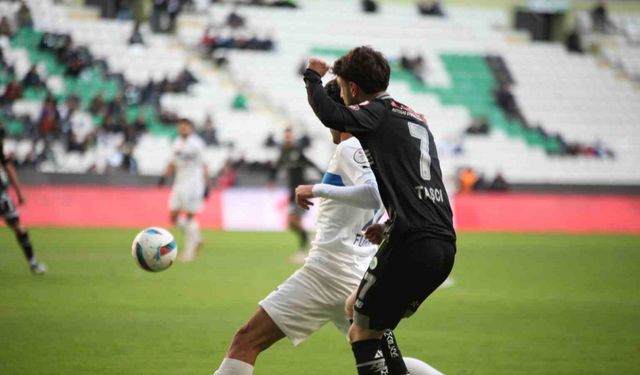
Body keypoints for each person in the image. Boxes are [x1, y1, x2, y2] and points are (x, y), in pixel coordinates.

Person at [213, 79, 442, 375]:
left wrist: (317, 189)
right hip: (356, 272)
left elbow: (372, 193)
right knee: (389, 362)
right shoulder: (375, 149)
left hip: (327, 272)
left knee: (246, 341)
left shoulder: (351, 147)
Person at [303, 46, 456, 375]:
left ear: (353, 89)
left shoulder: (376, 112)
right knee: (359, 313)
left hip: (411, 244)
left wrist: (313, 76)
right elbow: (419, 187)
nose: (342, 97)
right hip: (442, 244)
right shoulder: (415, 119)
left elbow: (333, 115)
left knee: (361, 331)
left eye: (342, 89)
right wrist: (389, 226)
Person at [269, 127, 323, 263]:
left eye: (289, 136)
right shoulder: (284, 152)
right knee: (291, 224)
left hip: (302, 191)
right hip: (291, 192)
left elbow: (310, 163)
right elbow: (276, 166)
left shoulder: (297, 151)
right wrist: (271, 179)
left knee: (294, 220)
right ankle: (308, 241)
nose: (288, 138)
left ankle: (303, 250)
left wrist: (323, 176)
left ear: (292, 137)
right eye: (286, 136)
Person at [158, 119, 209, 262]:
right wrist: (164, 177)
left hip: (194, 184)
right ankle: (197, 238)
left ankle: (189, 252)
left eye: (186, 127)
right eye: (181, 127)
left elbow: (204, 165)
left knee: (189, 217)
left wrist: (207, 185)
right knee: (173, 217)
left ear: (191, 129)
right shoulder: (176, 143)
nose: (183, 129)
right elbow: (172, 163)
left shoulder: (197, 144)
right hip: (179, 183)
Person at [0, 123, 46, 275]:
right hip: (2, 195)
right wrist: (19, 192)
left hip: (2, 195)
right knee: (18, 227)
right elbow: (8, 168)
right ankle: (33, 264)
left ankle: (33, 263)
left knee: (19, 227)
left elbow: (8, 167)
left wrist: (19, 192)